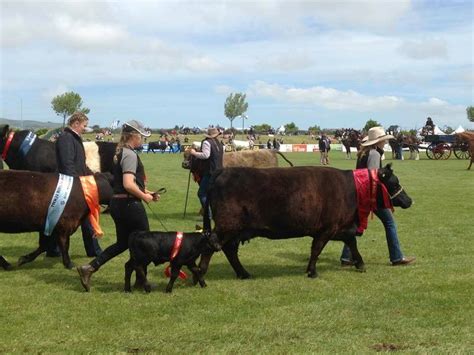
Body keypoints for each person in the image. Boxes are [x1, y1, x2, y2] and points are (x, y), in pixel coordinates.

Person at [77, 120, 159, 291]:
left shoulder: (120, 153)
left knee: (123, 243)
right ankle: (141, 281)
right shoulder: (130, 155)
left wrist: (147, 191)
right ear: (133, 136)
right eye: (141, 137)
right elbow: (129, 184)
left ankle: (89, 268)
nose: (142, 140)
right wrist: (144, 196)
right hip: (130, 205)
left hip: (118, 203)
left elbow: (125, 183)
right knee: (144, 242)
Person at [340, 126, 415, 266]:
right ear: (377, 142)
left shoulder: (364, 153)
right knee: (389, 223)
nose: (385, 143)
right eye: (383, 141)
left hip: (360, 193)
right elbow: (373, 176)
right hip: (370, 195)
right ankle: (397, 257)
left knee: (356, 225)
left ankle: (346, 257)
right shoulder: (374, 154)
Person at [44, 112, 102, 257]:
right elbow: (67, 164)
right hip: (70, 185)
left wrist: (94, 175)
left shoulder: (72, 138)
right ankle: (93, 250)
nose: (84, 128)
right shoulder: (66, 138)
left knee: (59, 218)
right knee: (82, 217)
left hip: (75, 183)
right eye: (84, 125)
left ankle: (52, 249)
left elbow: (80, 164)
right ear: (76, 123)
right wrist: (78, 184)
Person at [189, 127, 224, 209]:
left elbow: (206, 155)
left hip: (210, 172)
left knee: (201, 193)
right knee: (214, 193)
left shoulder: (206, 142)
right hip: (220, 171)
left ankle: (208, 214)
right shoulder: (219, 144)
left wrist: (194, 153)